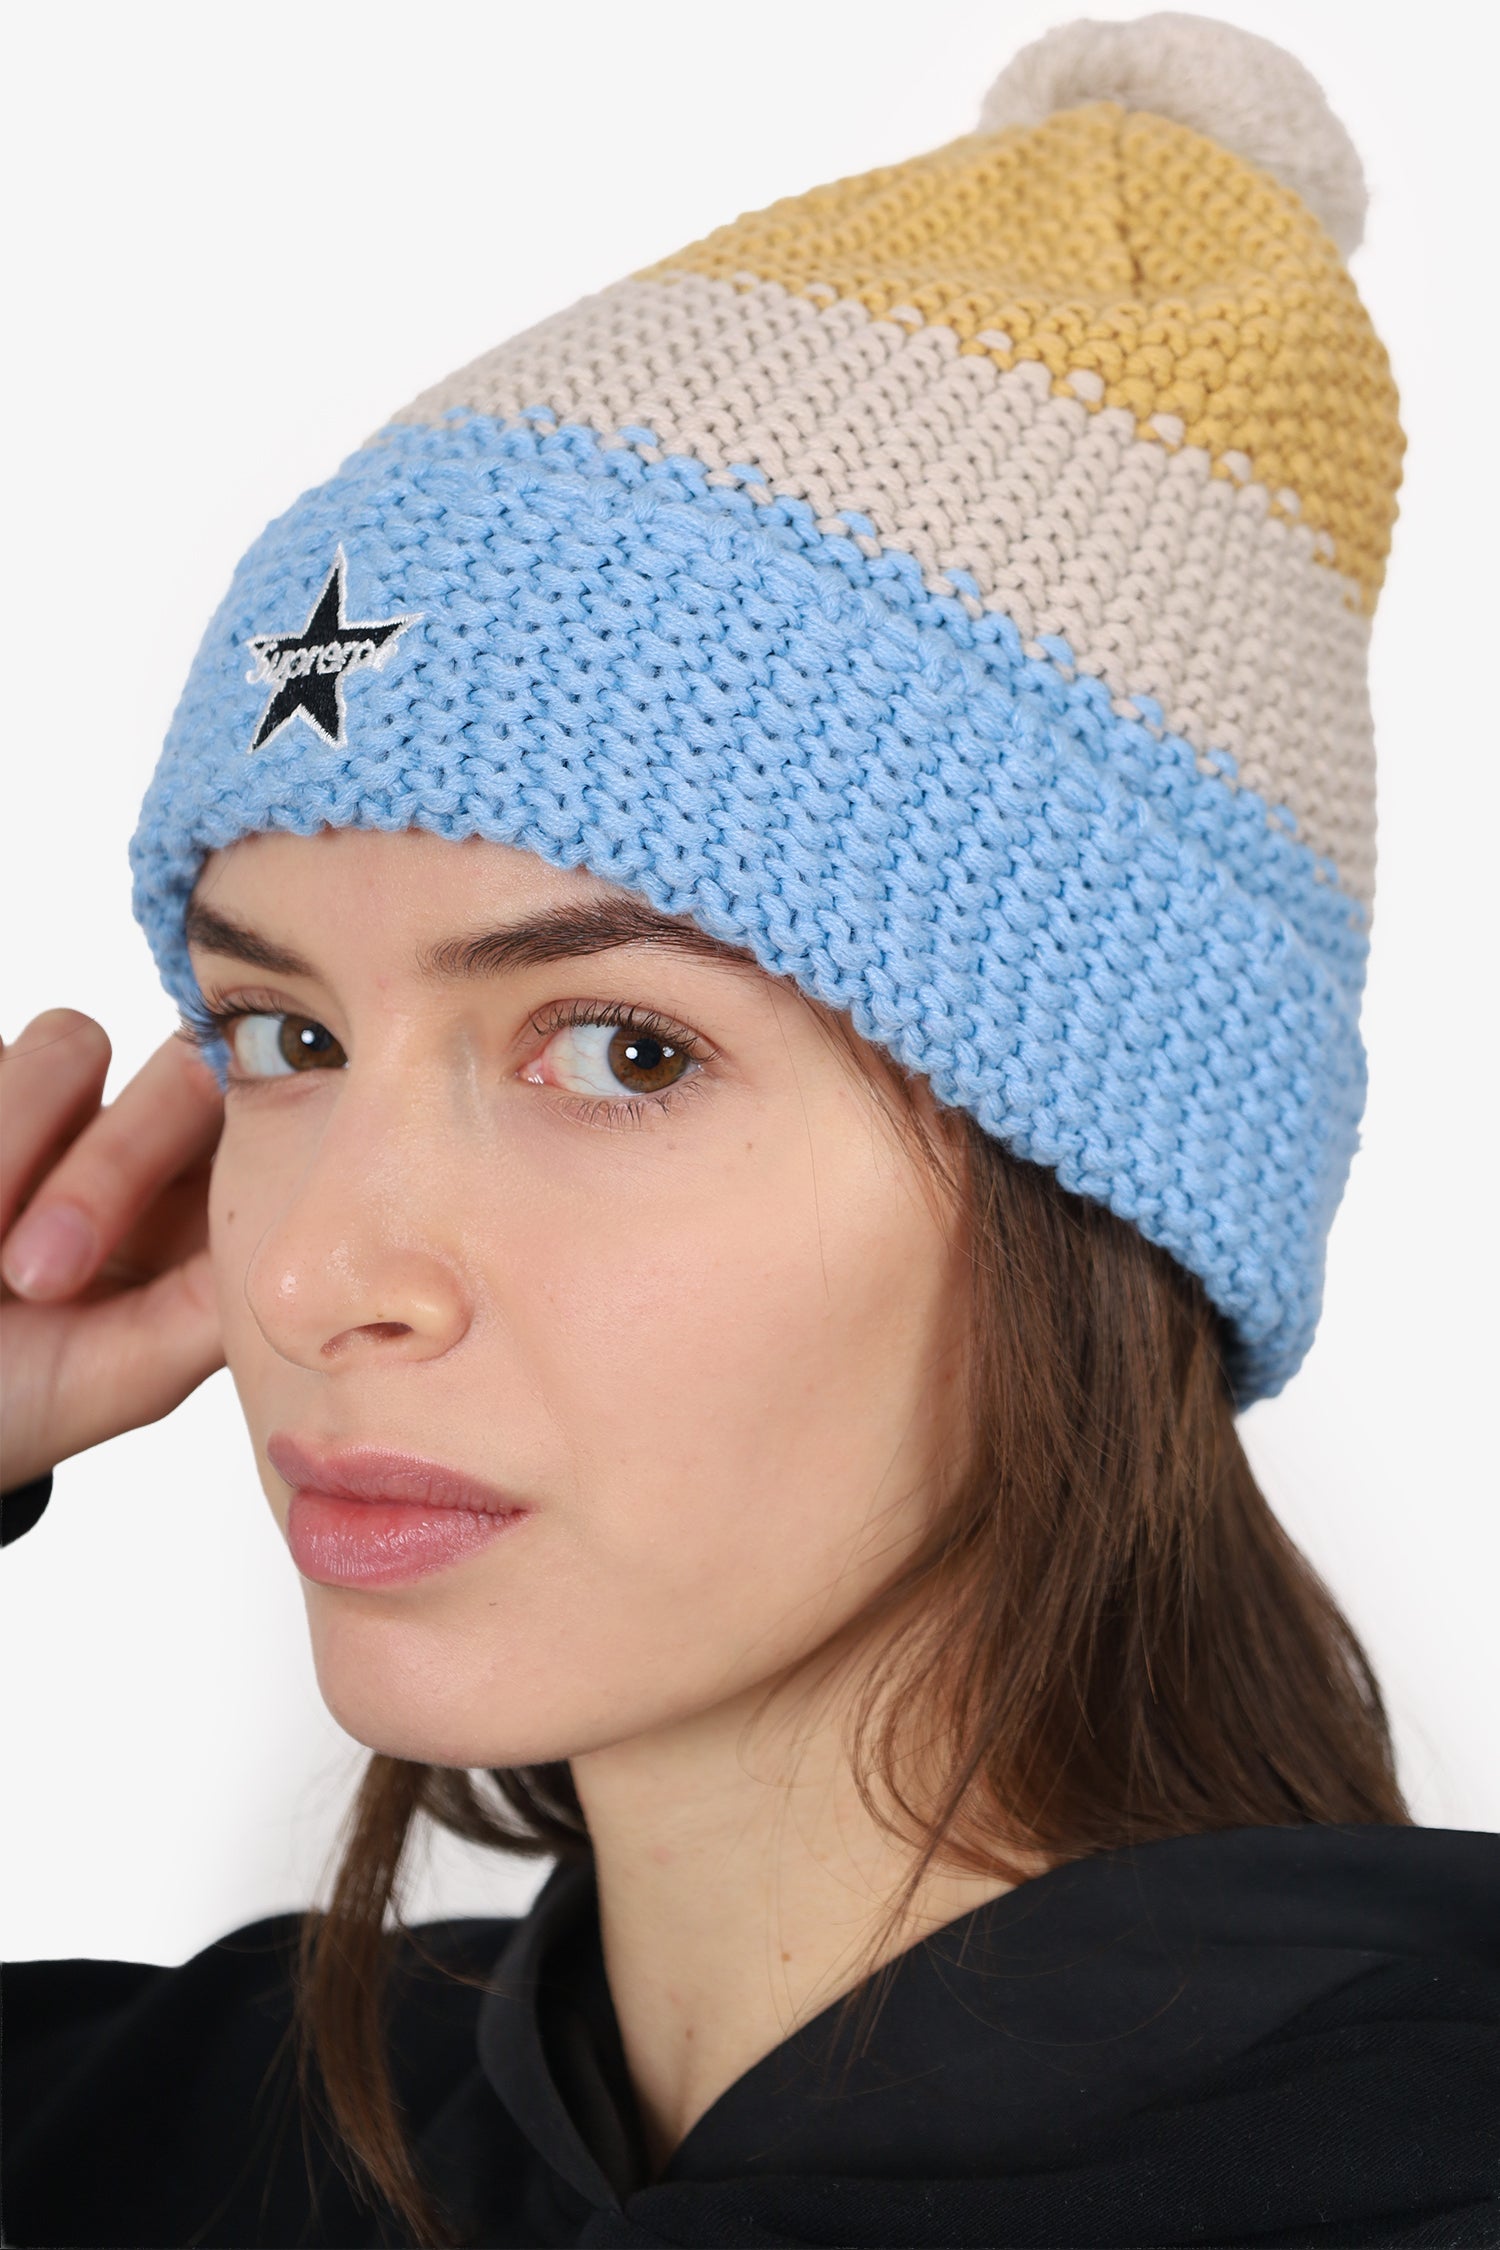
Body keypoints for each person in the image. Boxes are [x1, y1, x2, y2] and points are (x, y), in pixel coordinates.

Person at [3, 13, 1496, 2247]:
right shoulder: (187, 2144)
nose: (306, 1277)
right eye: (283, 1034)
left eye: (621, 1053)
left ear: (1103, 1183)